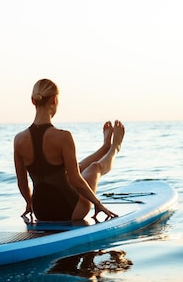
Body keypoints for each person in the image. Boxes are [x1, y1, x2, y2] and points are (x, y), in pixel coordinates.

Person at [14, 78, 125, 223]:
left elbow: (22, 184)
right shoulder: (63, 137)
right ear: (54, 100)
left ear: (33, 101)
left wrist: (30, 204)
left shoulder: (19, 140)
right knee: (95, 168)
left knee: (73, 169)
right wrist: (98, 204)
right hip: (69, 210)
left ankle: (105, 147)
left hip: (40, 211)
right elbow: (76, 180)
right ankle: (115, 147)